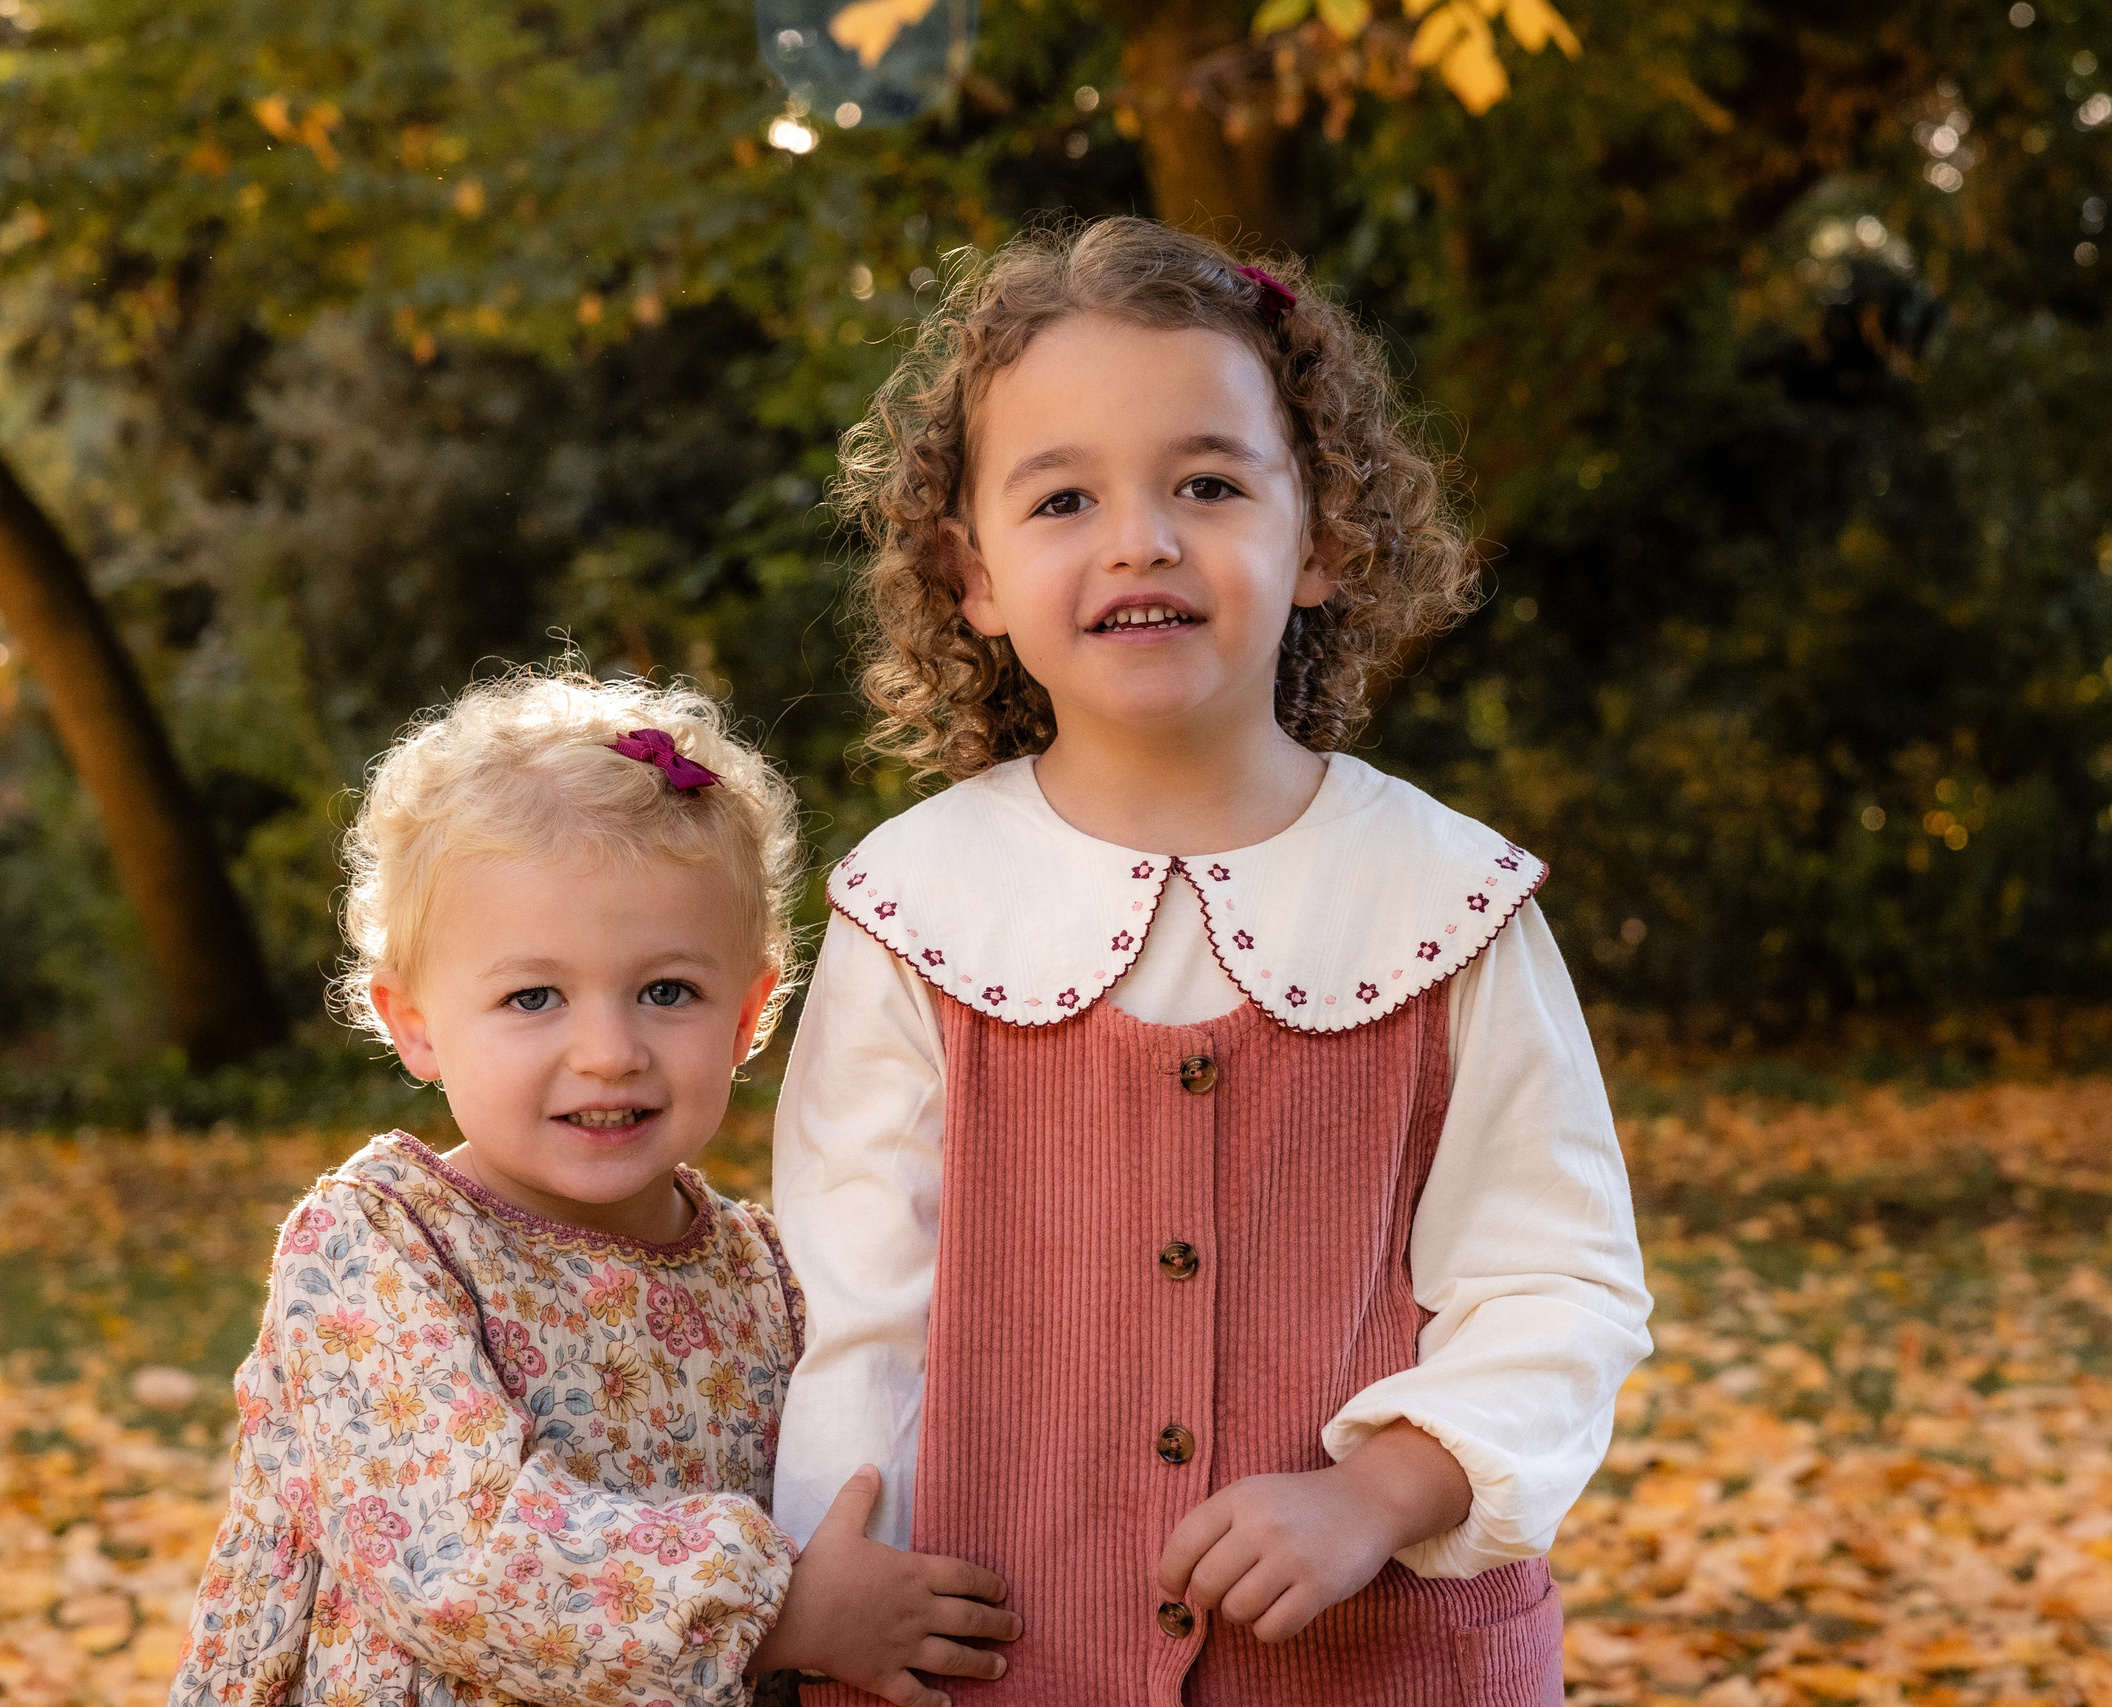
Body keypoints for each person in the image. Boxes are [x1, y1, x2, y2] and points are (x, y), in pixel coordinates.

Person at [771, 216, 1652, 1706]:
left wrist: (1371, 1493)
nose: (1141, 537)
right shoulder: (914, 907)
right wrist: (828, 1586)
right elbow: (855, 1319)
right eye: (1063, 496)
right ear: (970, 570)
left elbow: (1557, 1286)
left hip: (1382, 1667)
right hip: (1001, 1660)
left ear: (1323, 538)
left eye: (1208, 482)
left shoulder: (1451, 898)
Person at [169, 668, 1019, 1707]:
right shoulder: (376, 1246)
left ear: (751, 1013)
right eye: (534, 997)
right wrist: (785, 1612)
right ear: (415, 1021)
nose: (609, 1052)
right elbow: (452, 1559)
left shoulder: (769, 1275)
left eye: (668, 991)